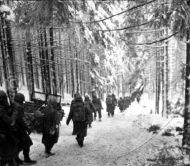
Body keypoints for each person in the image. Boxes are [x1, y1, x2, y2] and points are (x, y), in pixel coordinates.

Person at [13, 93, 37, 165]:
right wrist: (27, 128)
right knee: (27, 143)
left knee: (19, 144)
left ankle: (16, 159)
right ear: (20, 99)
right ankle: (26, 159)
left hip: (14, 128)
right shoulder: (19, 107)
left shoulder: (13, 104)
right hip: (19, 129)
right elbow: (20, 119)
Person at [0, 90, 18, 166]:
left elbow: (8, 111)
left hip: (6, 135)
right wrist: (14, 112)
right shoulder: (0, 110)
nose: (6, 100)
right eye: (5, 98)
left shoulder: (2, 107)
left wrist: (11, 107)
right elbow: (10, 122)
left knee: (10, 157)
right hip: (3, 136)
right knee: (5, 158)